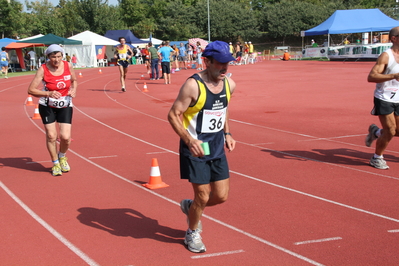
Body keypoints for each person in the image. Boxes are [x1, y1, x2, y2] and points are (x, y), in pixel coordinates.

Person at [167, 40, 236, 253]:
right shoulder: (192, 85)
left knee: (221, 196)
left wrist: (227, 132)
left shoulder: (229, 84)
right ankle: (192, 232)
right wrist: (189, 141)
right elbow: (172, 114)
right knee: (203, 196)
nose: (225, 68)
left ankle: (190, 207)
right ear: (207, 61)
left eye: (228, 63)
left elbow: (223, 109)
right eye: (220, 63)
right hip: (195, 148)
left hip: (216, 147)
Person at [27, 44, 77, 176]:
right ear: (48, 57)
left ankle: (62, 156)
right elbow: (31, 90)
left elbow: (74, 80)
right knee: (51, 136)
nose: (56, 60)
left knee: (65, 138)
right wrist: (48, 94)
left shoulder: (68, 66)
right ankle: (55, 163)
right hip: (47, 105)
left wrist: (74, 89)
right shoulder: (43, 69)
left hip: (65, 104)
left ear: (62, 56)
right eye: (53, 57)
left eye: (59, 57)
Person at [365, 26, 399, 170]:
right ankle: (376, 158)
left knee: (397, 131)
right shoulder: (386, 56)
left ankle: (376, 132)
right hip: (384, 98)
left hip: (398, 97)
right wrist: (393, 76)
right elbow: (371, 77)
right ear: (394, 38)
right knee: (390, 130)